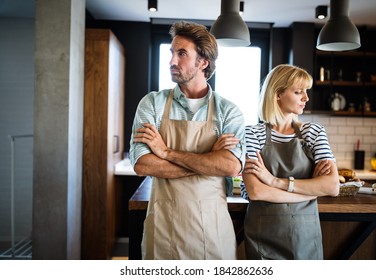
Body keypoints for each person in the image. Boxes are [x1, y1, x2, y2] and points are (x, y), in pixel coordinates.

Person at [129, 20, 246, 260]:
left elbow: (230, 166)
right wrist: (207, 162)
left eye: (181, 53)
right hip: (163, 230)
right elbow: (143, 165)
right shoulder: (152, 103)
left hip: (212, 233)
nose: (171, 61)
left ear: (203, 62)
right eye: (172, 52)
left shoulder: (228, 111)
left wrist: (166, 152)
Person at [241, 64, 339, 260]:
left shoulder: (314, 132)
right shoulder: (251, 134)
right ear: (277, 94)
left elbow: (332, 186)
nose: (306, 98)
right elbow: (256, 191)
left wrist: (273, 181)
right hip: (263, 237)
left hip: (306, 235)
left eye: (306, 91)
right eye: (298, 92)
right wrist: (310, 192)